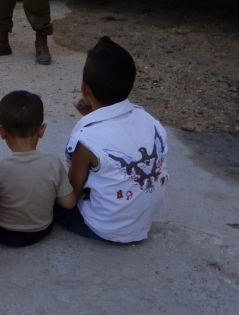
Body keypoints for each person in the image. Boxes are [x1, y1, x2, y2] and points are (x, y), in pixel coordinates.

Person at [56, 36, 169, 243]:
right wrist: (93, 117)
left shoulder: (86, 140)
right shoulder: (151, 122)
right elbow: (116, 136)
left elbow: (72, 197)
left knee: (50, 196)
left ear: (85, 89)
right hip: (142, 224)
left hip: (103, 228)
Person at [0, 90, 77, 247]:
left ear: (2, 132)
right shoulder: (53, 163)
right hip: (41, 230)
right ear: (42, 130)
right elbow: (69, 203)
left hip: (2, 232)